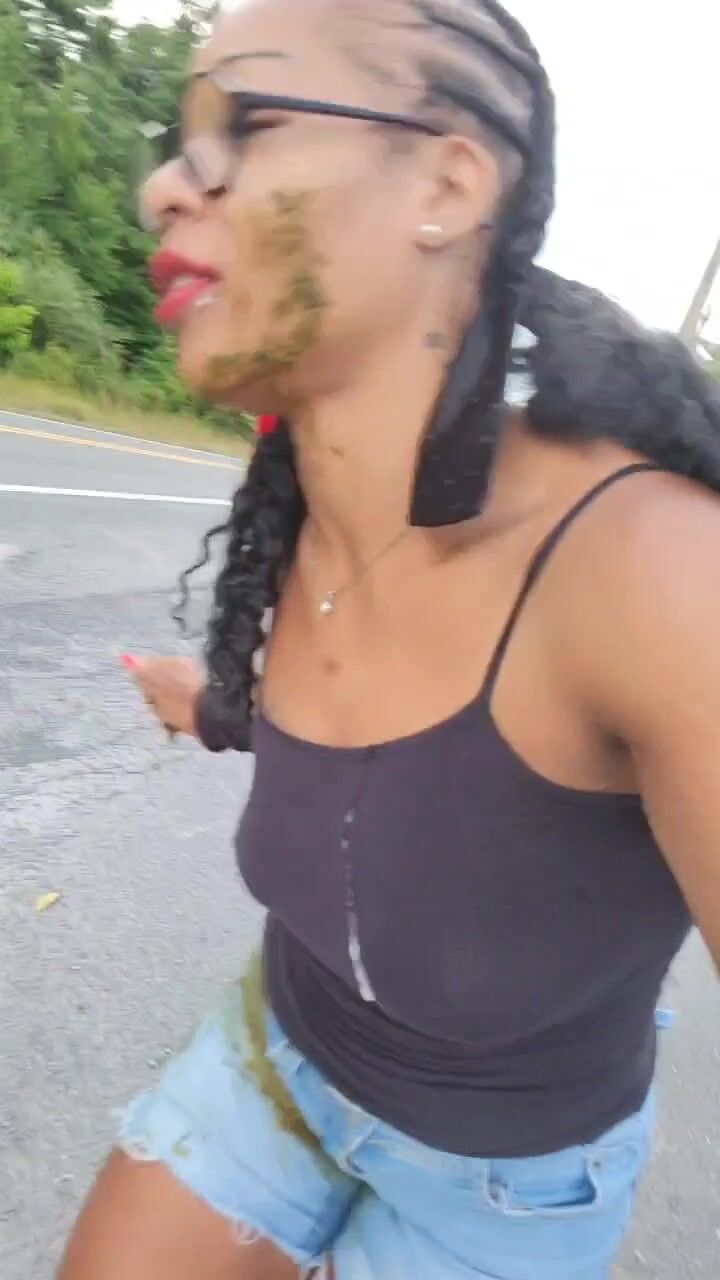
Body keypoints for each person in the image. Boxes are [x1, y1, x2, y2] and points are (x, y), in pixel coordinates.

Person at [59, 1, 720, 1278]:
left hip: (505, 1182)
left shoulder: (656, 574)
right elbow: (390, 772)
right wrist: (213, 705)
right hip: (279, 1053)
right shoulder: (313, 499)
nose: (164, 188)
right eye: (178, 141)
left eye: (245, 126)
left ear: (448, 184)